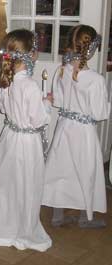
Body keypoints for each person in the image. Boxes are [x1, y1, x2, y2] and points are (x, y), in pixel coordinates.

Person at [0, 29, 52, 252]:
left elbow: (3, 108)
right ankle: (23, 227)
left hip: (10, 138)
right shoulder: (29, 85)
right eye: (35, 49)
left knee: (7, 182)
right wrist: (45, 103)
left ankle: (3, 221)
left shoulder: (6, 80)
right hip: (27, 144)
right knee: (27, 183)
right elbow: (39, 120)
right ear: (30, 54)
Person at [42, 25, 110, 228]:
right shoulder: (96, 80)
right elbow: (100, 113)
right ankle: (84, 217)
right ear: (92, 49)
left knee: (60, 168)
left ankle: (57, 215)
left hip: (64, 127)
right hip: (84, 132)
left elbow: (58, 102)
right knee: (85, 170)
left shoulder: (62, 70)